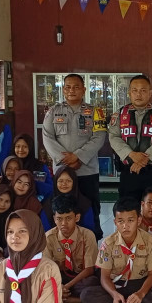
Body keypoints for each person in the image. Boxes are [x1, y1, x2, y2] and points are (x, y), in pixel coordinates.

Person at [80, 198, 152, 303]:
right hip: (117, 284)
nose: (125, 226)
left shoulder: (151, 241)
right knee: (86, 294)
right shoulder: (108, 243)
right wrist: (114, 294)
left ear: (139, 220)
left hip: (140, 283)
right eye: (120, 221)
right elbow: (105, 276)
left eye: (130, 220)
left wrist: (141, 293)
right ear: (115, 222)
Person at [41, 74, 107, 238]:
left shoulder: (95, 112)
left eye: (76, 87)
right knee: (62, 209)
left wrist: (78, 157)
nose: (72, 90)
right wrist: (66, 161)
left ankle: (92, 243)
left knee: (90, 208)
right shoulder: (53, 111)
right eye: (68, 87)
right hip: (62, 173)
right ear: (63, 90)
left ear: (84, 89)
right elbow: (47, 137)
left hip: (87, 171)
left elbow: (99, 137)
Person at [108, 75, 152, 200]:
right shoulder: (120, 113)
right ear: (129, 93)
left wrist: (144, 159)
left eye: (143, 90)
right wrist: (131, 154)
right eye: (135, 90)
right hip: (129, 170)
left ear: (150, 93)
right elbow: (114, 137)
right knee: (129, 208)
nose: (139, 94)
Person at [44, 195, 98, 303]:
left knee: (92, 282)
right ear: (54, 219)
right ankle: (76, 299)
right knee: (42, 285)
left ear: (77, 217)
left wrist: (67, 286)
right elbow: (46, 270)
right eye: (59, 219)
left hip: (80, 277)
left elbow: (89, 269)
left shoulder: (88, 235)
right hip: (59, 277)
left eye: (68, 218)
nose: (63, 223)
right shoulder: (48, 237)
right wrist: (58, 286)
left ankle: (62, 298)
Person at [45, 168, 96, 237]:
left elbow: (89, 229)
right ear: (55, 182)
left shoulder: (84, 203)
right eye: (60, 181)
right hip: (53, 242)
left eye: (68, 181)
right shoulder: (48, 203)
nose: (64, 184)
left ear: (74, 182)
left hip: (79, 241)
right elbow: (45, 229)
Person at [11, 134, 53, 202]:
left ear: (30, 148)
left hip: (33, 204)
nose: (21, 150)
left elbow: (49, 189)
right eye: (17, 146)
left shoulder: (38, 166)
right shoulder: (9, 164)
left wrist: (30, 182)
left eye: (25, 147)